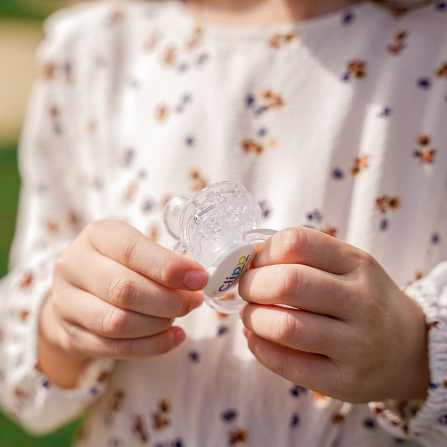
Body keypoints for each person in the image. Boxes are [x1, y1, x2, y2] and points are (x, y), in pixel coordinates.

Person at [0, 0, 446, 445]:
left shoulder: (432, 54)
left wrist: (412, 359)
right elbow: (18, 374)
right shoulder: (97, 48)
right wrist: (61, 327)